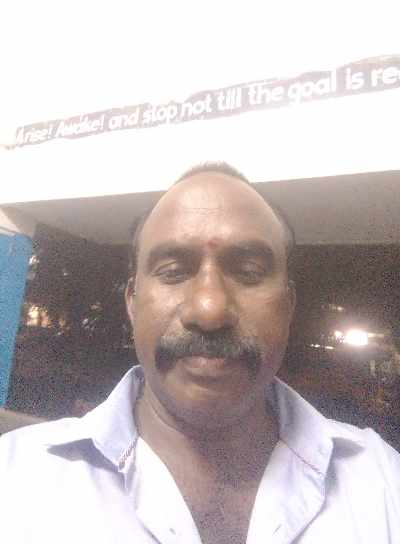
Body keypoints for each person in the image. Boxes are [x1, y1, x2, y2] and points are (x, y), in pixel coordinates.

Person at [1, 162, 400, 543]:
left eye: (248, 272)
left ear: (288, 304)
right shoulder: (16, 479)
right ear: (132, 302)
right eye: (173, 272)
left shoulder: (380, 482)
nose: (209, 310)